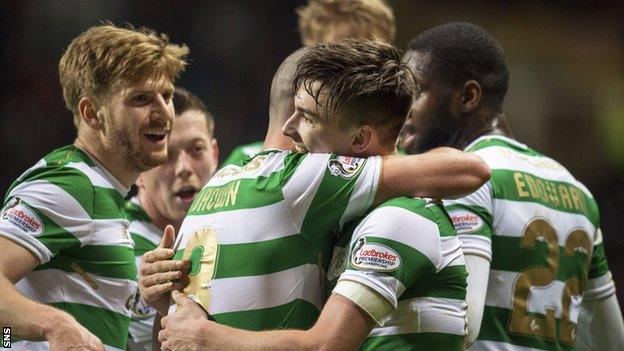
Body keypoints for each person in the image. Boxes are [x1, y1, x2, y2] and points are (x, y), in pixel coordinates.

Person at [148, 39, 488, 350]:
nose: (290, 127)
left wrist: (204, 335)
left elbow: (325, 346)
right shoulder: (341, 213)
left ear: (358, 140)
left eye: (307, 117)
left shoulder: (399, 216)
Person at [401, 22, 624, 350]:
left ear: (468, 97)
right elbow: (611, 340)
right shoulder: (577, 192)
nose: (404, 110)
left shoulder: (467, 179)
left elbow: (461, 324)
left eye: (416, 93)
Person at [0, 24, 188, 351]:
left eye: (167, 96)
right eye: (141, 98)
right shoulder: (71, 184)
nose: (163, 112)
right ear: (92, 113)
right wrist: (53, 324)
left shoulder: (106, 194)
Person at [220, 0, 397, 168]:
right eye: (338, 59)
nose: (356, 72)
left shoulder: (410, 165)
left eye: (369, 57)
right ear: (308, 58)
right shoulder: (248, 160)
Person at [126, 88, 219, 351]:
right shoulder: (117, 246)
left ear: (214, 154)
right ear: (138, 170)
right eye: (167, 155)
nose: (184, 168)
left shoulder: (226, 226)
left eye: (196, 150)